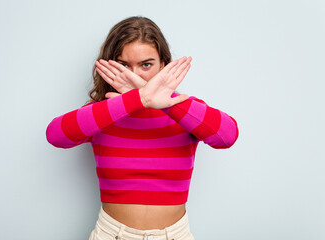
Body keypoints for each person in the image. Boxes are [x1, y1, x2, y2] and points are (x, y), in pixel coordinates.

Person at [46, 16, 239, 240]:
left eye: (146, 65)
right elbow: (55, 135)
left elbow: (227, 136)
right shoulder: (104, 113)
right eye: (124, 65)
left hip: (174, 235)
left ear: (164, 65)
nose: (135, 75)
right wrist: (139, 98)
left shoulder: (184, 110)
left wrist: (164, 99)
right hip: (113, 234)